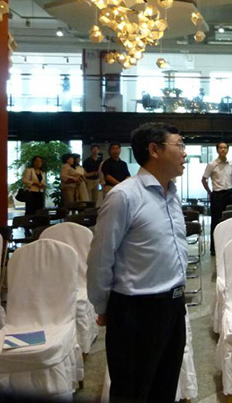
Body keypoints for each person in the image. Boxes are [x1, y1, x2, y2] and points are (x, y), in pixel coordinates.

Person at [87, 122, 188, 403]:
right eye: (179, 145)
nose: (184, 152)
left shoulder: (172, 195)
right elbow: (100, 257)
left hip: (173, 306)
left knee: (165, 389)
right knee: (132, 392)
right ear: (154, 150)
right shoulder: (124, 196)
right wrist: (103, 306)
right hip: (136, 312)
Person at [202, 141, 232, 256]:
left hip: (229, 194)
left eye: (225, 148)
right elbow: (204, 179)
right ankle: (214, 249)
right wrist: (209, 192)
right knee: (216, 222)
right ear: (217, 150)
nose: (223, 150)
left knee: (231, 221)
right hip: (217, 195)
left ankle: (230, 246)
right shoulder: (212, 164)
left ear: (228, 150)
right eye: (221, 148)